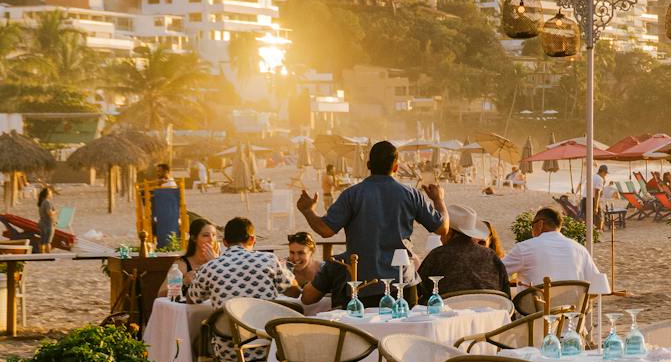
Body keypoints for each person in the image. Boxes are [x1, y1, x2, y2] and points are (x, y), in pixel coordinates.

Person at [296, 141, 445, 285]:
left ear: (368, 165)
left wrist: (308, 211)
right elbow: (442, 228)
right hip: (402, 279)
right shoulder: (411, 194)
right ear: (396, 167)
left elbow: (325, 230)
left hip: (364, 283)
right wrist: (438, 199)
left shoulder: (352, 195)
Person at [186, 217, 295, 305]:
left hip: (227, 325)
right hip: (263, 324)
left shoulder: (209, 267)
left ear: (225, 242)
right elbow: (293, 291)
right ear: (252, 239)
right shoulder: (269, 259)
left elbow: (191, 299)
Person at [504, 206, 610, 295]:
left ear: (540, 224)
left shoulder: (524, 248)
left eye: (532, 225)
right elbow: (596, 285)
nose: (532, 230)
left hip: (536, 312)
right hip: (573, 312)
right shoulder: (580, 249)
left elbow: (497, 271)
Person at [417, 204, 511, 294]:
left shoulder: (437, 255)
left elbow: (419, 287)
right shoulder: (490, 255)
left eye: (442, 232)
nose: (440, 238)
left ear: (449, 232)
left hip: (449, 304)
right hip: (490, 304)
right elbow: (505, 289)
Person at [33, 185, 54, 253]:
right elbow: (49, 212)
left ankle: (41, 254)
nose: (51, 193)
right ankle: (49, 255)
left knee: (42, 241)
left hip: (42, 223)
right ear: (47, 194)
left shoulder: (42, 202)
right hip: (48, 224)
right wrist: (54, 213)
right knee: (48, 242)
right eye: (50, 192)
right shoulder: (47, 202)